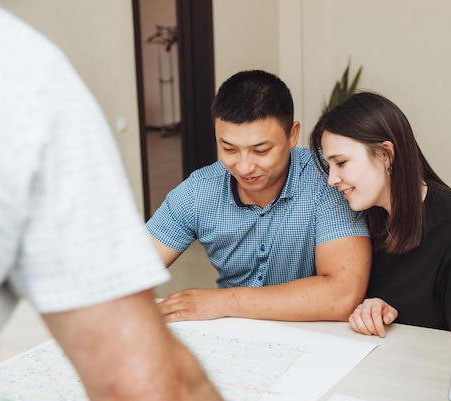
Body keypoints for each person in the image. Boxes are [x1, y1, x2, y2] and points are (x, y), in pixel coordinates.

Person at [0, 4, 231, 401]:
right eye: (229, 148)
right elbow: (146, 388)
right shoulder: (21, 77)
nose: (245, 165)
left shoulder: (317, 182)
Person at [147, 70, 372, 323]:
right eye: (229, 149)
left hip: (315, 335)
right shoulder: (198, 192)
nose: (244, 167)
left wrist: (223, 301)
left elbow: (341, 296)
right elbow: (131, 272)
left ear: (292, 135)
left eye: (261, 150)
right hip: (235, 338)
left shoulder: (328, 179)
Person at [310, 92, 451, 337]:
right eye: (329, 166)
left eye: (341, 163)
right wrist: (373, 309)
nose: (332, 179)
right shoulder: (365, 217)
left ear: (386, 154)